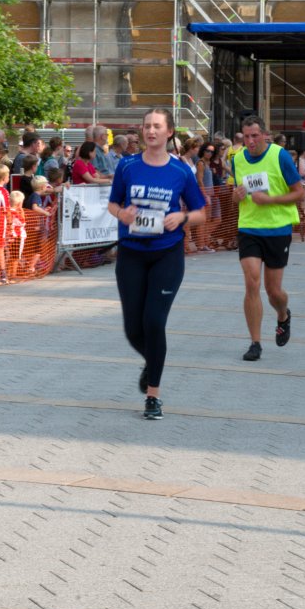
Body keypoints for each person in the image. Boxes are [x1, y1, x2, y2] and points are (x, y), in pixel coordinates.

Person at [108, 108, 206, 420]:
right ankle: (152, 362)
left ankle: (153, 395)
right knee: (132, 329)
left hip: (167, 254)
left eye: (157, 126)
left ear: (169, 132)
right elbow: (113, 203)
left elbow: (201, 212)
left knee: (154, 322)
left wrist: (182, 217)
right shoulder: (127, 166)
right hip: (131, 253)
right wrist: (122, 214)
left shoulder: (180, 171)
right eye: (147, 126)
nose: (151, 131)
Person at [232, 115, 303, 361]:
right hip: (249, 228)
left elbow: (300, 193)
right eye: (246, 137)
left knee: (274, 292)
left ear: (264, 135)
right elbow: (235, 195)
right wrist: (236, 196)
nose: (250, 141)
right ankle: (255, 343)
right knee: (252, 283)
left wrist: (270, 200)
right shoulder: (237, 159)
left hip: (277, 229)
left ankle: (283, 314)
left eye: (254, 135)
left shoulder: (279, 156)